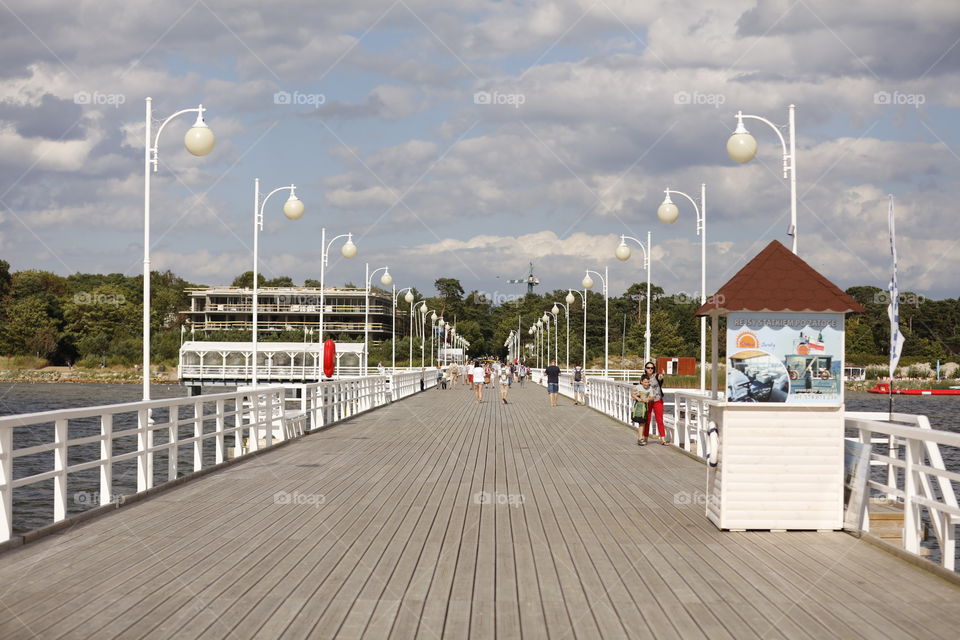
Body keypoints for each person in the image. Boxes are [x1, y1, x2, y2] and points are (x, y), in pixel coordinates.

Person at [642, 361, 668, 445]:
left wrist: (662, 375)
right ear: (645, 369)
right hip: (648, 401)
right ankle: (645, 438)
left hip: (657, 400)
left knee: (659, 419)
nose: (650, 369)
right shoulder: (644, 377)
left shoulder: (656, 376)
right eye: (648, 368)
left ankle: (663, 439)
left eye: (652, 368)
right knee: (647, 420)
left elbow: (660, 377)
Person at [631, 377, 653, 445]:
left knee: (643, 422)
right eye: (645, 382)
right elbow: (632, 394)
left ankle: (640, 438)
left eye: (648, 382)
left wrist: (647, 399)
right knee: (641, 422)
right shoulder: (637, 387)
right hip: (638, 405)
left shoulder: (650, 388)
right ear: (641, 382)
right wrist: (637, 398)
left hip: (645, 406)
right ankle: (640, 438)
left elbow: (652, 397)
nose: (647, 384)